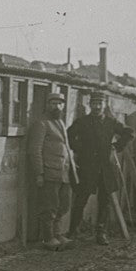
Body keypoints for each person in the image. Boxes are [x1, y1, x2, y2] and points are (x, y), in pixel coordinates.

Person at [66, 92, 133, 245]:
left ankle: (101, 233)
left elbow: (130, 132)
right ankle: (73, 231)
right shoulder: (82, 122)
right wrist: (79, 149)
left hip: (105, 167)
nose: (97, 107)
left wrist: (117, 146)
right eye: (94, 104)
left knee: (105, 201)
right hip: (87, 167)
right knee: (80, 199)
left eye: (100, 104)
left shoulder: (111, 122)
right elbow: (68, 136)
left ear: (104, 105)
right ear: (90, 105)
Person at [27, 92, 78, 249]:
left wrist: (72, 164)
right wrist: (39, 173)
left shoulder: (61, 123)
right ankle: (48, 238)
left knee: (64, 205)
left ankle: (58, 234)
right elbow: (35, 150)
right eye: (53, 103)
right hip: (49, 172)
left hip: (64, 172)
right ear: (47, 105)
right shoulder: (41, 124)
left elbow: (65, 147)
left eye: (60, 104)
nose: (57, 107)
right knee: (49, 206)